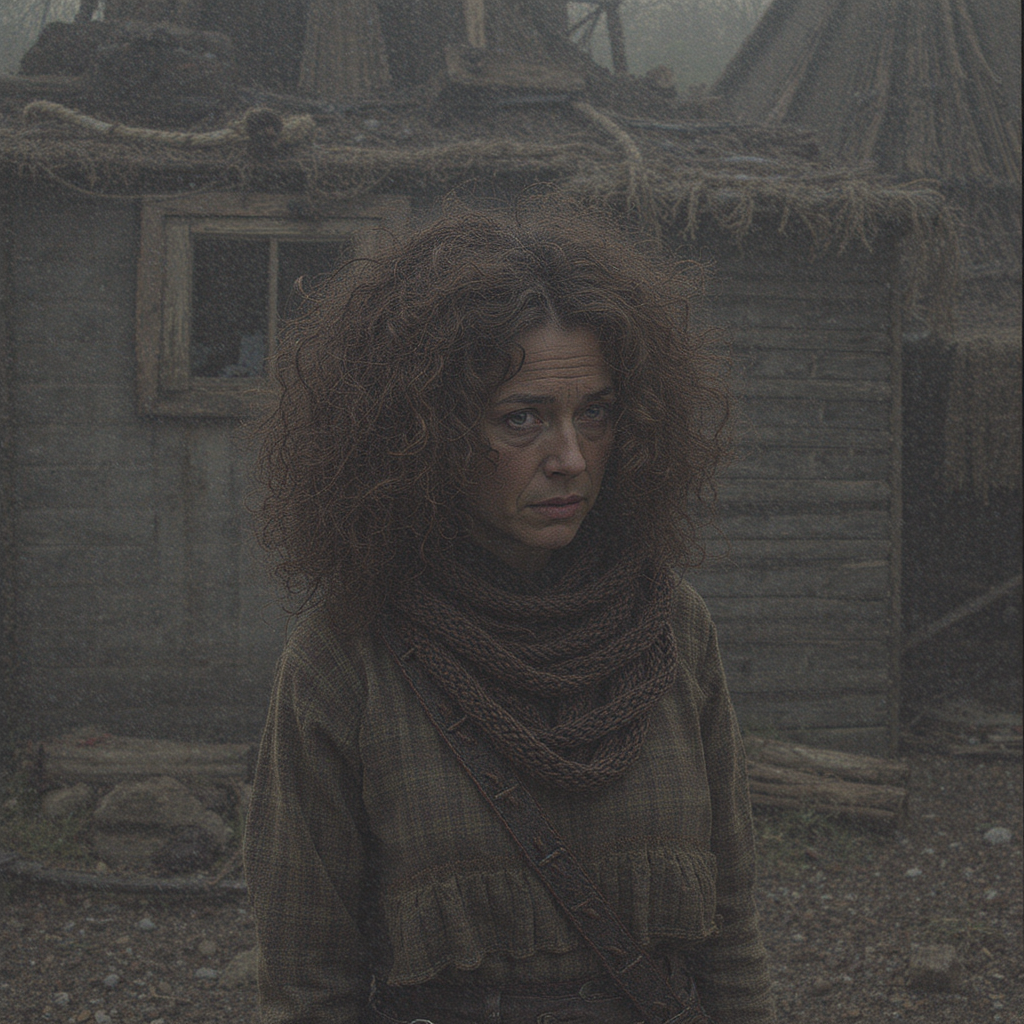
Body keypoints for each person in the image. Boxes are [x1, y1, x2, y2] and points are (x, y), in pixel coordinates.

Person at [244, 202, 777, 1024]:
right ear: (423, 435)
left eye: (594, 413)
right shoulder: (347, 654)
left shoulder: (671, 625)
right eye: (521, 418)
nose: (570, 457)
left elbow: (732, 934)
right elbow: (308, 981)